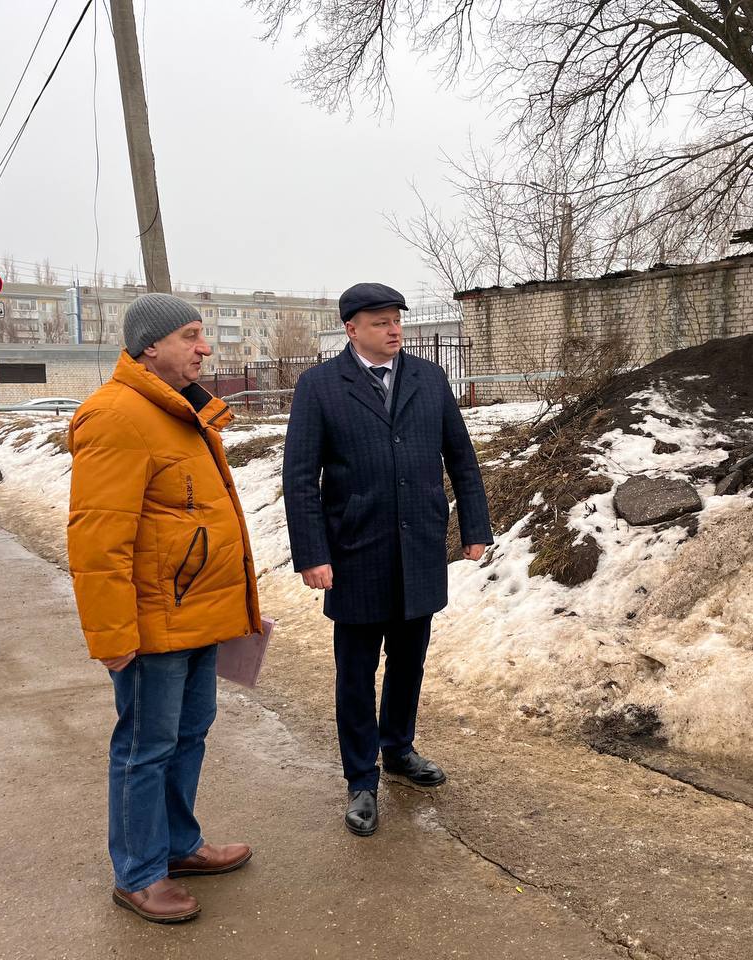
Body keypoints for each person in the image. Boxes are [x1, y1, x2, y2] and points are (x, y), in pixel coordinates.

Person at [67, 293, 261, 923]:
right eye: (192, 336)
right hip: (154, 625)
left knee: (188, 734)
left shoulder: (181, 412)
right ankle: (139, 873)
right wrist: (112, 633)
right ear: (151, 345)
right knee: (146, 747)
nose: (205, 347)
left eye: (203, 336)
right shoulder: (115, 416)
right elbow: (99, 539)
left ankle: (177, 844)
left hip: (198, 614)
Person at [282, 281, 493, 837]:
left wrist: (475, 526)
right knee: (355, 673)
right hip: (355, 552)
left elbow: (462, 459)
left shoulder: (429, 377)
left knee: (409, 660)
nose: (394, 329)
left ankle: (398, 749)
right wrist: (312, 552)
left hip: (419, 546)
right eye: (379, 322)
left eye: (396, 319)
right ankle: (361, 780)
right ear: (352, 329)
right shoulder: (321, 386)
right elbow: (301, 479)